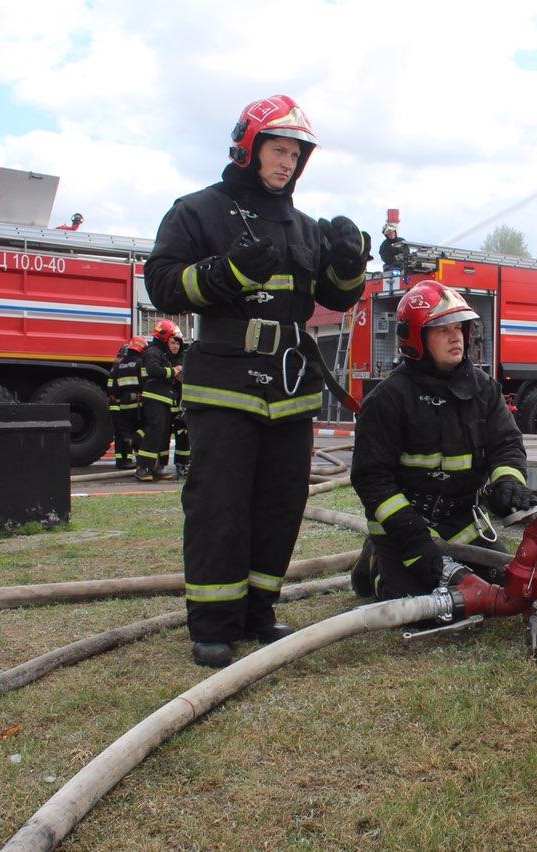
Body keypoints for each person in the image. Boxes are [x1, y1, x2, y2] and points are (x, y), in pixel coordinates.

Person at [144, 94, 370, 667]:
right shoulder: (198, 211)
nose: (287, 163)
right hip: (224, 384)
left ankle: (258, 611)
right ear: (249, 147)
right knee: (219, 505)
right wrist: (228, 272)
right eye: (278, 150)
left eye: (295, 154)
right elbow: (162, 285)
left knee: (280, 504)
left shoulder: (305, 228)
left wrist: (349, 264)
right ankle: (213, 623)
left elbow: (336, 297)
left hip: (290, 389)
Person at [350, 280, 537, 600]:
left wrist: (508, 481)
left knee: (504, 586)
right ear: (416, 338)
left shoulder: (484, 390)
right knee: (420, 603)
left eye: (459, 327)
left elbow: (506, 443)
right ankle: (376, 563)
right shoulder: (388, 399)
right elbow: (371, 478)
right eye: (442, 329)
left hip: (460, 520)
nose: (456, 337)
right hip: (402, 524)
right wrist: (412, 536)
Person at [135, 320, 182, 482]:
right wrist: (173, 371)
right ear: (164, 337)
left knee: (163, 434)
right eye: (172, 338)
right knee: (155, 432)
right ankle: (143, 468)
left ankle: (158, 467)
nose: (173, 343)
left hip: (164, 399)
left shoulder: (162, 353)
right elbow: (154, 370)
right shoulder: (153, 352)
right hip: (155, 398)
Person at [107, 336, 147, 469]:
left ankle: (123, 460)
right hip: (137, 406)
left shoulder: (117, 366)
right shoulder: (140, 363)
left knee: (122, 433)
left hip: (122, 406)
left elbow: (111, 388)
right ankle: (140, 459)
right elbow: (145, 383)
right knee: (138, 432)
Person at [167, 335, 190, 477]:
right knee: (164, 434)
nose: (175, 346)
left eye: (177, 343)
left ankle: (182, 463)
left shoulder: (184, 358)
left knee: (183, 433)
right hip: (167, 400)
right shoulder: (164, 358)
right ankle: (159, 464)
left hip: (181, 401)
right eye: (172, 343)